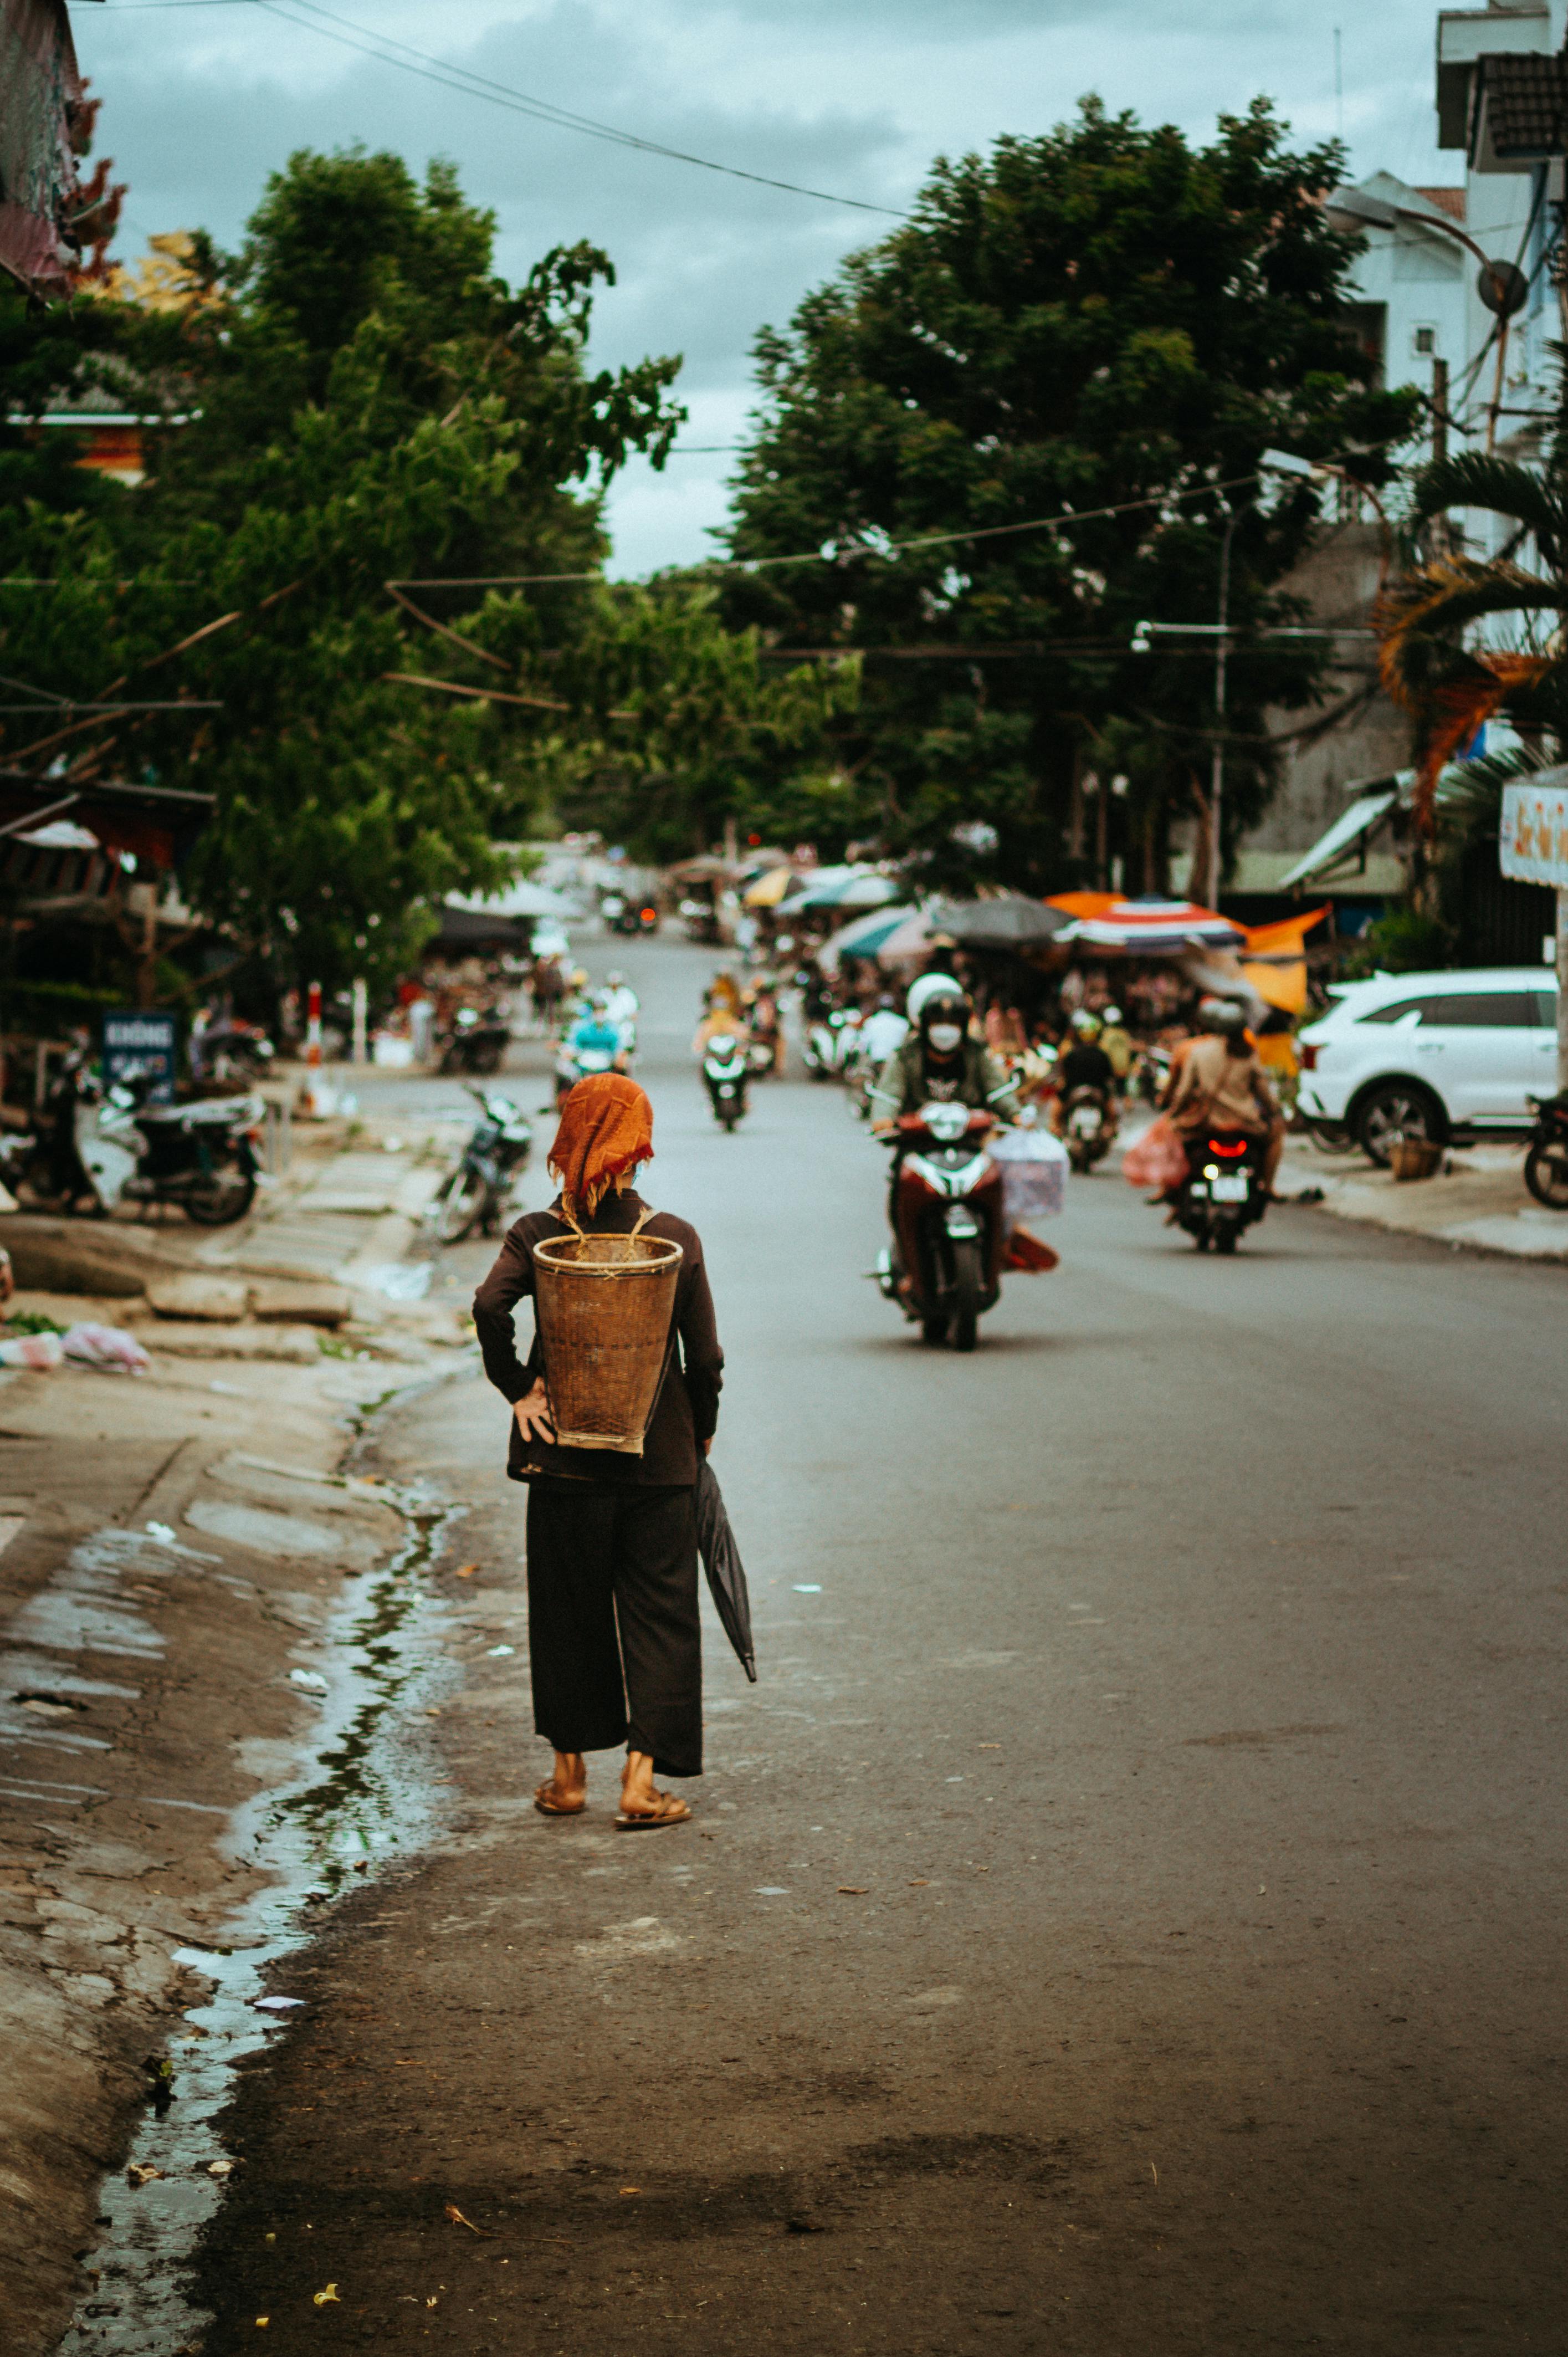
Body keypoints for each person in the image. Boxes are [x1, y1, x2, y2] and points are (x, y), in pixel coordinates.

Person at [472, 1075, 724, 1830]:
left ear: (568, 1140)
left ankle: (568, 1778)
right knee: (659, 1617)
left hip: (564, 1463)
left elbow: (489, 1307)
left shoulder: (536, 1233)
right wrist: (699, 1428)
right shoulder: (672, 1237)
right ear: (637, 1147)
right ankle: (642, 1785)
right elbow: (703, 1358)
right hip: (657, 1462)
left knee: (567, 1614)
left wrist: (519, 1388)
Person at [870, 975, 1021, 1132]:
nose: (946, 1029)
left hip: (971, 1138)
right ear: (924, 1025)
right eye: (937, 1022)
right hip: (917, 1138)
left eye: (953, 1023)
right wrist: (883, 1118)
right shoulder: (907, 1055)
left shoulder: (975, 1053)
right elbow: (890, 1093)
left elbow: (996, 1089)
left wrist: (1015, 1114)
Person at [1162, 1000, 1284, 1193]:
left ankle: (1169, 1189)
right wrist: (1275, 1112)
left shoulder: (1198, 1052)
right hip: (1246, 1124)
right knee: (1276, 1135)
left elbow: (1183, 1092)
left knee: (1170, 1134)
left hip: (1208, 1123)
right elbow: (1265, 1094)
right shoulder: (1248, 1053)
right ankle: (1268, 1187)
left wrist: (1173, 1113)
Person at [1049, 1012, 1118, 1138]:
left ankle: (1055, 1128)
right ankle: (1112, 1128)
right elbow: (1109, 1077)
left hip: (1073, 1089)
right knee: (1111, 1107)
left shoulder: (1072, 1053)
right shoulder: (1103, 1055)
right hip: (1099, 1090)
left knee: (1057, 1102)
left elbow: (1064, 1075)